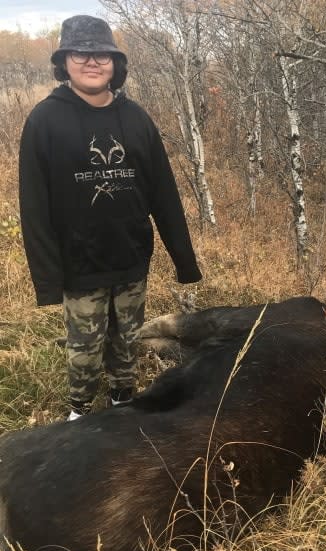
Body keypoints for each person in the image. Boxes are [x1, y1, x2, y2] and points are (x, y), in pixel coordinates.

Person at [19, 15, 203, 420]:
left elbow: (164, 195)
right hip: (79, 264)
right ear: (64, 60)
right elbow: (33, 207)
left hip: (131, 257)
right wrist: (47, 280)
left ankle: (123, 401)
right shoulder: (44, 121)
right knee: (84, 348)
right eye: (80, 53)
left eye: (101, 53)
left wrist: (184, 262)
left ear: (114, 64)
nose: (91, 61)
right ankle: (79, 412)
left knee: (128, 341)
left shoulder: (136, 118)